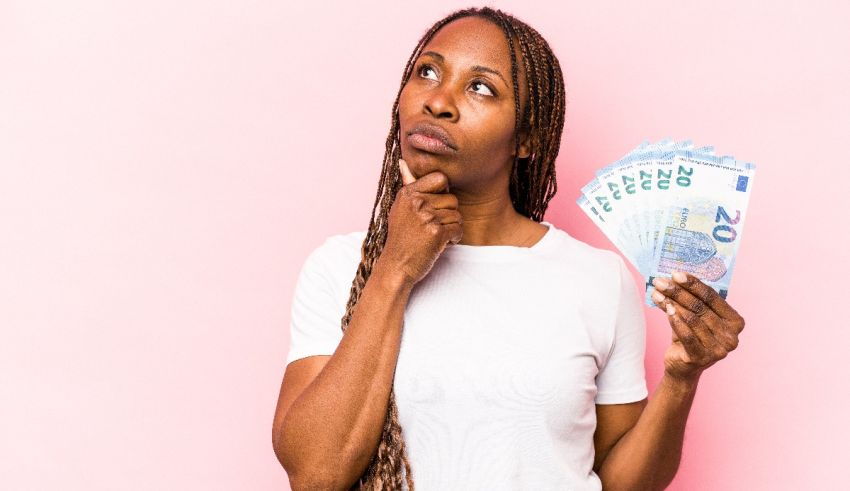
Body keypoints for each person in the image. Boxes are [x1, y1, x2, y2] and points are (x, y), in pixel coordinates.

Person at [272, 6, 746, 491]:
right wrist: (396, 267)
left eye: (481, 87)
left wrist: (683, 377)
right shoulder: (338, 267)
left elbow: (623, 482)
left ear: (526, 139)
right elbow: (316, 476)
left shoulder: (599, 280)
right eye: (427, 72)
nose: (438, 102)